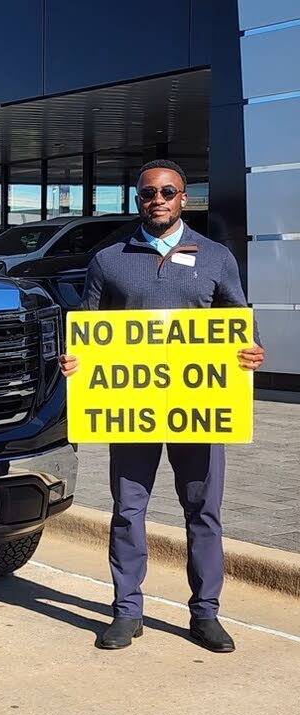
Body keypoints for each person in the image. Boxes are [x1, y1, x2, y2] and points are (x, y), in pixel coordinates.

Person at [60, 159, 264, 652]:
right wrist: (75, 360)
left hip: (200, 407)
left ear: (183, 199)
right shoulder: (108, 260)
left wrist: (249, 350)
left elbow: (238, 320)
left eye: (167, 192)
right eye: (148, 193)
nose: (158, 200)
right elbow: (88, 329)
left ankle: (205, 614)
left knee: (203, 511)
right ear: (137, 200)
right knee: (128, 510)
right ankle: (127, 612)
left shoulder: (216, 258)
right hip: (131, 409)